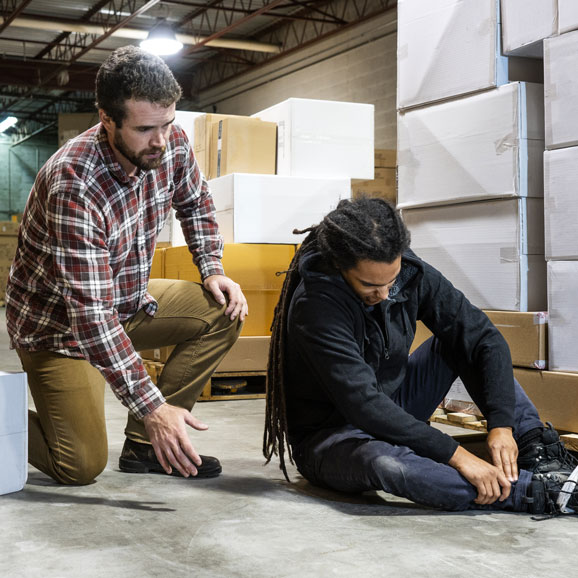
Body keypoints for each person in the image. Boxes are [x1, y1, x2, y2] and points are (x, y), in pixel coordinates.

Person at [6, 45, 248, 486]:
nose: (160, 140)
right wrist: (153, 405)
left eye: (167, 123)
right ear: (107, 119)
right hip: (61, 328)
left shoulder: (169, 141)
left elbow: (195, 202)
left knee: (223, 311)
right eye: (144, 129)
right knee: (78, 465)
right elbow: (92, 319)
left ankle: (143, 447)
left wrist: (212, 267)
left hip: (129, 300)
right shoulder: (74, 183)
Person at [263, 197, 578, 517]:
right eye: (370, 285)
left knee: (461, 343)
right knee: (386, 463)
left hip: (395, 402)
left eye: (392, 280)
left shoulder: (410, 272)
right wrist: (456, 454)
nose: (385, 294)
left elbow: (484, 338)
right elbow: (364, 406)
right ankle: (538, 491)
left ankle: (538, 452)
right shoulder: (315, 306)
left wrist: (502, 426)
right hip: (333, 439)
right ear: (340, 267)